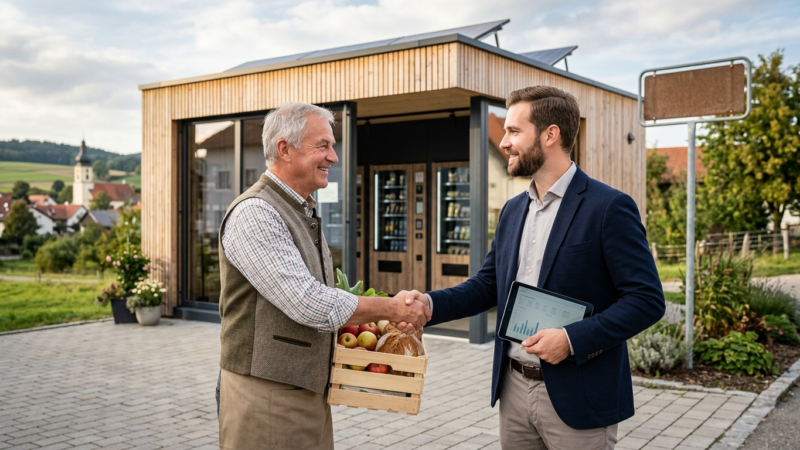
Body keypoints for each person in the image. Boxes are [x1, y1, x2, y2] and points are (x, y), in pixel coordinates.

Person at [409, 86, 665, 449]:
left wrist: (572, 340)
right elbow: (488, 285)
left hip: (579, 396)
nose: (504, 142)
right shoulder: (514, 209)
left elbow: (646, 300)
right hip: (512, 390)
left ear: (550, 135)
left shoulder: (609, 207)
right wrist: (428, 306)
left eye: (514, 131)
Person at [217, 101, 431, 450]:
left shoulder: (300, 208)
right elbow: (307, 303)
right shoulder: (256, 212)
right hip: (268, 395)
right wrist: (392, 309)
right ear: (285, 150)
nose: (334, 157)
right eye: (323, 146)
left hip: (305, 392)